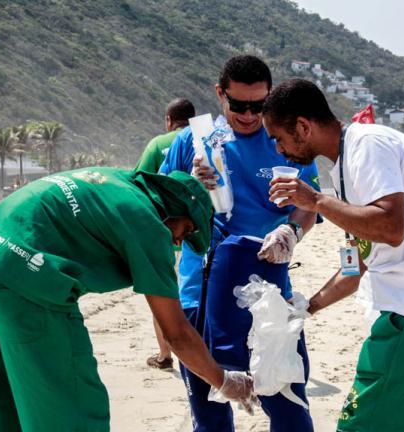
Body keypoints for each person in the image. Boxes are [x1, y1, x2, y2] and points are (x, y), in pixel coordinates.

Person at [0, 167, 254, 431]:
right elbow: (177, 333)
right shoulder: (148, 222)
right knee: (76, 408)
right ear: (172, 209)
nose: (177, 242)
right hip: (25, 283)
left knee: (9, 409)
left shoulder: (115, 182)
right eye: (185, 231)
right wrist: (224, 381)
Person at [262, 78, 404, 432]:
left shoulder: (368, 146)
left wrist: (315, 202)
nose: (278, 150)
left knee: (359, 426)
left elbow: (391, 228)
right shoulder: (338, 169)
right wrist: (307, 306)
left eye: (279, 138)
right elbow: (358, 260)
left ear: (303, 126)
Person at [160, 56, 319, 431]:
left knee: (287, 402)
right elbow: (161, 211)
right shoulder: (193, 141)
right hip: (199, 292)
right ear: (220, 95)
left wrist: (290, 232)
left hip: (267, 294)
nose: (249, 116)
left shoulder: (285, 142)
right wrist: (190, 188)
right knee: (210, 407)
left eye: (258, 106)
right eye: (238, 106)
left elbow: (309, 206)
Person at [136, 97, 196, 370]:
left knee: (164, 296)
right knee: (193, 295)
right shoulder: (203, 138)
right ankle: (198, 348)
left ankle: (165, 355)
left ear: (169, 120)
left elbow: (140, 184)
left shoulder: (158, 144)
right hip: (197, 235)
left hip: (165, 235)